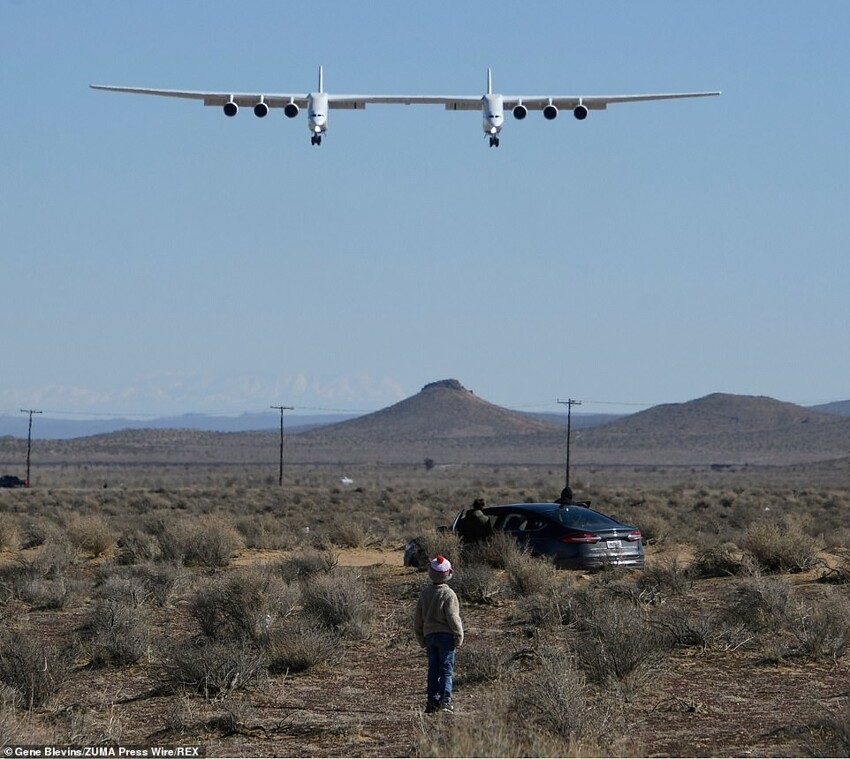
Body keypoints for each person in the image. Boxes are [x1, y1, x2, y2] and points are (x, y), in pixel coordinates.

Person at [413, 555, 464, 713]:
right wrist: (459, 635)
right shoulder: (449, 595)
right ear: (448, 574)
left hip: (429, 637)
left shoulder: (425, 594)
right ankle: (445, 701)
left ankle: (431, 702)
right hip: (446, 637)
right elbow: (453, 617)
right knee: (446, 670)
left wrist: (420, 638)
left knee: (433, 669)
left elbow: (418, 618)